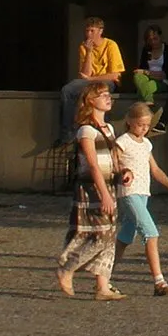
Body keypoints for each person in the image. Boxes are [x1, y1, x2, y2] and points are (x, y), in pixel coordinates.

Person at [55, 83, 124, 301]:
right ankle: (68, 268)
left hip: (109, 185)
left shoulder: (109, 129)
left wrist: (124, 173)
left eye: (108, 94)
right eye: (102, 95)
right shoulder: (86, 130)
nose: (107, 98)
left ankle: (102, 286)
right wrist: (103, 193)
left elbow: (114, 160)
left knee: (110, 234)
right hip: (91, 188)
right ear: (90, 101)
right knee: (99, 235)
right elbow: (93, 165)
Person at [112, 100, 168, 296]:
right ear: (129, 122)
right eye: (140, 125)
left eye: (146, 125)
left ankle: (105, 275)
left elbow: (155, 169)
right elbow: (113, 162)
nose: (143, 129)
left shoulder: (146, 144)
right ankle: (159, 281)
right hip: (129, 192)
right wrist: (123, 172)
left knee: (125, 237)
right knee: (151, 233)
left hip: (143, 193)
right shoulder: (123, 141)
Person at [58, 17, 126, 140]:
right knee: (68, 89)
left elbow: (115, 75)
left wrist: (90, 79)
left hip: (108, 82)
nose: (89, 34)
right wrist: (89, 52)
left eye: (92, 31)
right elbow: (84, 74)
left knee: (97, 90)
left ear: (100, 31)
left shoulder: (110, 45)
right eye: (87, 31)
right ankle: (67, 132)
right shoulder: (84, 47)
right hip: (89, 82)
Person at [133, 27, 168, 128]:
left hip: (162, 81)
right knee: (138, 76)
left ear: (161, 37)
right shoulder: (146, 50)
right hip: (146, 79)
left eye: (155, 39)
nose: (153, 42)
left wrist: (147, 72)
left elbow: (165, 74)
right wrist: (144, 73)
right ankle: (149, 102)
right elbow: (140, 70)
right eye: (150, 40)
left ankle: (143, 109)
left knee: (145, 87)